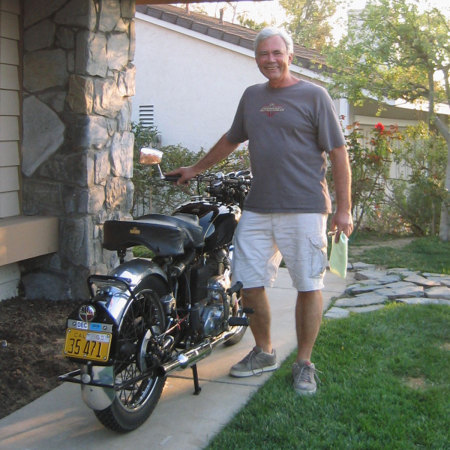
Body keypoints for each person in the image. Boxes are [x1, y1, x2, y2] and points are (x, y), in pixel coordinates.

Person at [167, 27, 353, 395]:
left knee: (308, 284)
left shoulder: (314, 95)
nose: (270, 60)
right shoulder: (252, 97)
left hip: (304, 207)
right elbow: (232, 138)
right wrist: (194, 169)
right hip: (258, 207)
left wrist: (344, 209)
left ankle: (304, 362)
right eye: (263, 54)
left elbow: (338, 152)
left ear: (290, 54)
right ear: (256, 59)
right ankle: (264, 350)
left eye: (276, 53)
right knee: (247, 282)